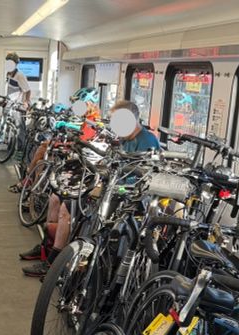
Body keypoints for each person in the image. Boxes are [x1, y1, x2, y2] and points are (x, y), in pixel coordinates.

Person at [19, 100, 158, 278]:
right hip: (108, 187)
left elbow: (143, 179)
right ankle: (47, 247)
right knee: (56, 196)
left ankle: (53, 260)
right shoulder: (123, 139)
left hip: (123, 197)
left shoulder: (148, 142)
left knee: (66, 209)